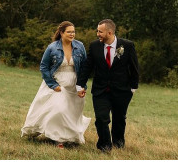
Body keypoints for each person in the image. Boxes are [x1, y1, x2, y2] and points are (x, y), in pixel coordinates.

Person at [21, 21, 91, 148]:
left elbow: (85, 68)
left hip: (74, 84)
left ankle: (69, 137)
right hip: (57, 83)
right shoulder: (52, 47)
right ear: (61, 33)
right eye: (69, 32)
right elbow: (43, 66)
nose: (72, 34)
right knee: (59, 110)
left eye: (73, 31)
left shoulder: (80, 46)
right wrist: (53, 84)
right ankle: (58, 139)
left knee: (72, 112)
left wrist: (82, 86)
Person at [76, 19, 139, 152]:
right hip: (100, 90)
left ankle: (118, 143)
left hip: (122, 90)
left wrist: (133, 87)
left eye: (100, 31)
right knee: (101, 118)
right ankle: (105, 146)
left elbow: (134, 67)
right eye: (97, 31)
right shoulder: (94, 46)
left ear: (109, 32)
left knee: (119, 118)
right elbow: (88, 67)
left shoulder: (127, 45)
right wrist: (80, 84)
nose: (97, 33)